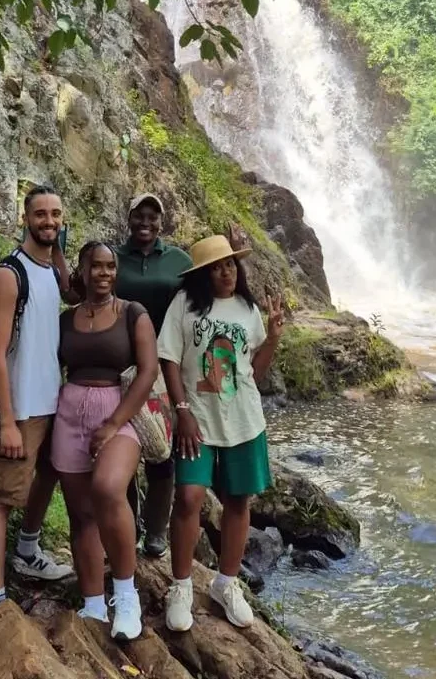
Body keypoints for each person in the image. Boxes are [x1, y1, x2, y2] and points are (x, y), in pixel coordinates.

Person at [157, 235, 284, 632]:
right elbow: (169, 359)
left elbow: (256, 373)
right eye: (216, 267)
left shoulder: (248, 308)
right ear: (202, 275)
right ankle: (180, 587)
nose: (225, 272)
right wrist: (181, 411)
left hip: (244, 421)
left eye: (230, 264)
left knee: (237, 500)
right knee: (190, 495)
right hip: (197, 420)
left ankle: (226, 584)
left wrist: (275, 337)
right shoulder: (184, 305)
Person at [51, 241, 158, 639]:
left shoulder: (133, 314)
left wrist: (113, 423)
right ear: (82, 270)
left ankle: (126, 597)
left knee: (109, 488)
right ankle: (93, 604)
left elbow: (146, 372)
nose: (104, 272)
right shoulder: (66, 320)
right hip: (70, 411)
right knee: (81, 515)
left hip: (119, 412)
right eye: (96, 266)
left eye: (111, 266)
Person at [0, 185, 73, 614]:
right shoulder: (9, 273)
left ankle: (29, 549)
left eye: (55, 214)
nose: (49, 221)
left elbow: (72, 293)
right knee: (1, 499)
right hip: (21, 408)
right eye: (41, 214)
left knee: (49, 475)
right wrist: (8, 420)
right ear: (25, 218)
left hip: (52, 402)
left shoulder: (51, 271)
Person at [115, 194, 192, 558]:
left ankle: (157, 530)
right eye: (139, 215)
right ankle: (128, 526)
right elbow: (84, 294)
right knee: (124, 447)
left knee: (162, 452)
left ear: (161, 222)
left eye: (153, 216)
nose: (145, 222)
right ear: (129, 218)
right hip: (120, 366)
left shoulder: (178, 259)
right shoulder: (113, 258)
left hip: (163, 367)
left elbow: (202, 298)